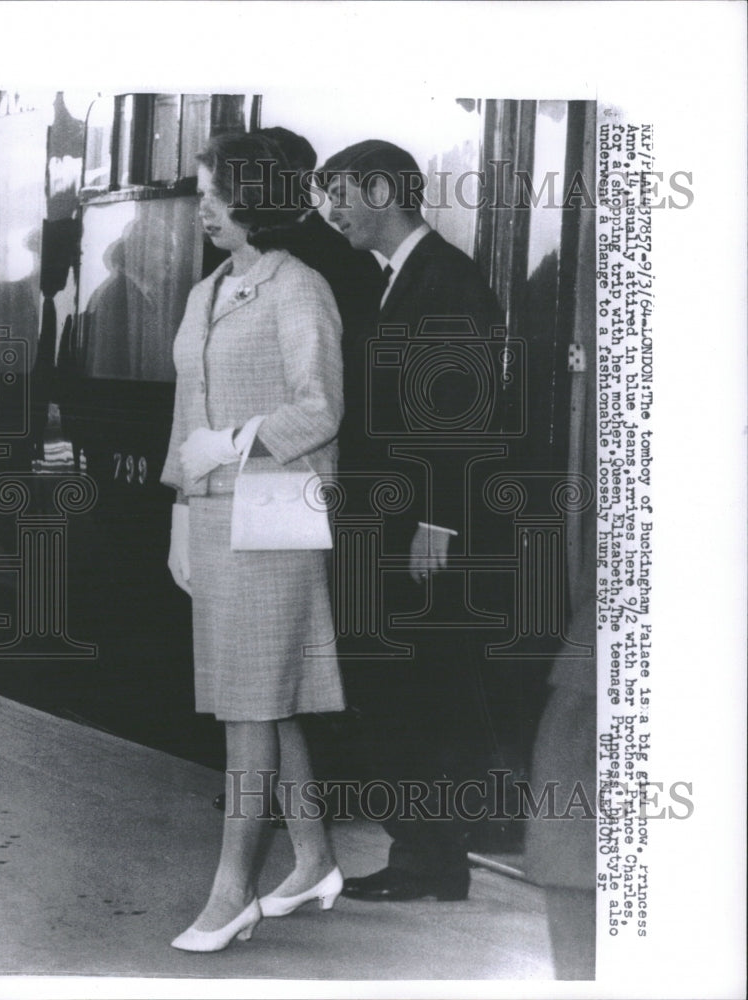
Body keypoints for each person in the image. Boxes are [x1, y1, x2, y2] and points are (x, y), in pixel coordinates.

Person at [160, 132, 345, 951]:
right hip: (212, 511)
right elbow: (185, 408)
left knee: (247, 699)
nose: (203, 207)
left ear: (258, 197)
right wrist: (178, 511)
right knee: (270, 693)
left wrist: (231, 441)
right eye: (202, 191)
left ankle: (230, 893)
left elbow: (320, 409)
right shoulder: (209, 290)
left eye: (218, 192)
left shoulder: (298, 288)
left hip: (275, 507)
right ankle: (312, 860)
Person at [317, 140, 505, 903]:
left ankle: (432, 860)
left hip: (425, 530)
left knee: (422, 690)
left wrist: (440, 521)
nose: (332, 214)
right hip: (396, 523)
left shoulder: (447, 281)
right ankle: (426, 857)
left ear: (385, 191)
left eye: (341, 196)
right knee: (405, 689)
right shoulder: (395, 280)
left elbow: (466, 414)